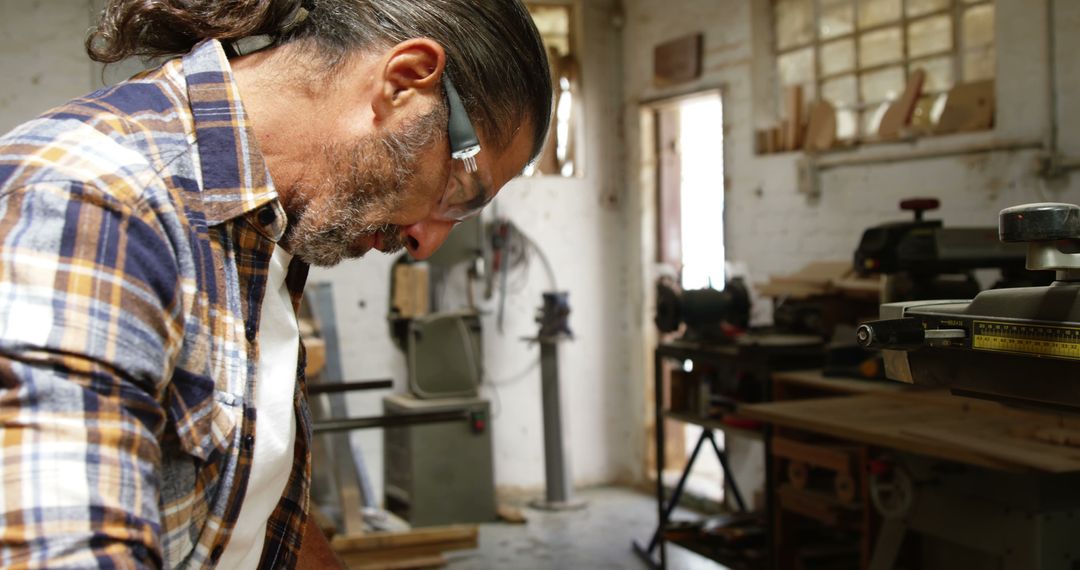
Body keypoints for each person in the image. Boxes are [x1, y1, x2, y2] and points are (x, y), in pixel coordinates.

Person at [0, 0, 551, 567]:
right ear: (405, 81)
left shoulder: (263, 223)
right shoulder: (91, 204)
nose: (426, 242)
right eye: (459, 189)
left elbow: (234, 505)